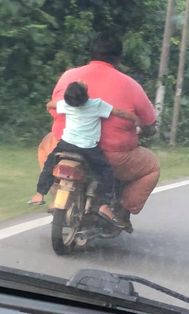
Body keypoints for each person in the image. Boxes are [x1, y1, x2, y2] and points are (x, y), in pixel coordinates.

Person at [38, 31, 160, 227]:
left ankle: (56, 192)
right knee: (152, 167)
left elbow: (55, 111)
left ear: (91, 53)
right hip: (115, 156)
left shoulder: (69, 76)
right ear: (118, 58)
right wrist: (144, 129)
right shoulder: (130, 85)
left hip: (64, 147)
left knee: (47, 143)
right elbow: (148, 123)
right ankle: (120, 210)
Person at [30, 81, 139, 229]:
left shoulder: (67, 105)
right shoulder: (96, 105)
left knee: (50, 164)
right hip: (88, 148)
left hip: (66, 144)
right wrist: (134, 118)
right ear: (86, 95)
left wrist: (52, 105)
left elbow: (50, 105)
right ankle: (104, 204)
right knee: (106, 172)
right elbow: (119, 113)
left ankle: (39, 194)